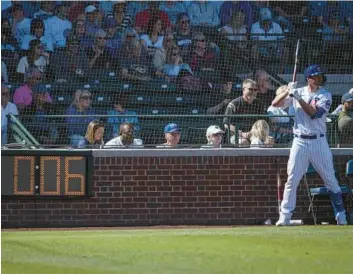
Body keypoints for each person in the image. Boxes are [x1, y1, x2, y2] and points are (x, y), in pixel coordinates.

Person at [272, 64, 348, 226]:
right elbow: (275, 104)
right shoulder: (298, 91)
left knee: (330, 180)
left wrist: (297, 98)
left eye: (321, 76)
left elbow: (314, 113)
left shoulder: (325, 94)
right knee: (292, 179)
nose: (321, 78)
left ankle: (341, 215)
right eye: (317, 76)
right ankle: (285, 216)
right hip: (299, 141)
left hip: (319, 141)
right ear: (309, 79)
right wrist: (288, 91)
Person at [223, 79, 259, 145]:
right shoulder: (234, 104)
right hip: (235, 135)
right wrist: (242, 133)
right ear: (243, 90)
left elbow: (262, 122)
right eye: (250, 89)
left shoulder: (259, 104)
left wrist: (254, 132)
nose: (253, 92)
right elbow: (226, 124)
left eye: (255, 90)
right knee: (244, 142)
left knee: (267, 141)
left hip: (253, 134)